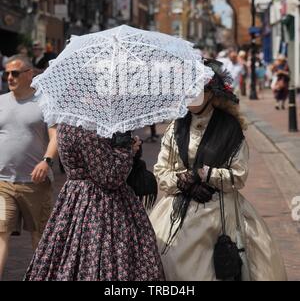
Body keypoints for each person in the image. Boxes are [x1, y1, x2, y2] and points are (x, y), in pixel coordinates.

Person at [150, 60, 287, 281]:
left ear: (211, 93)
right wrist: (184, 181)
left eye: (196, 90)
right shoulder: (176, 126)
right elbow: (161, 171)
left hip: (220, 210)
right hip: (178, 206)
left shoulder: (229, 128)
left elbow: (239, 175)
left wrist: (206, 175)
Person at [24, 128, 164, 281]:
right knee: (101, 258)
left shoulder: (66, 125)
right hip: (100, 203)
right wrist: (127, 148)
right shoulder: (86, 130)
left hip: (75, 197)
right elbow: (110, 177)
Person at [0, 55, 58, 280]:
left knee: (39, 236)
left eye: (15, 73)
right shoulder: (1, 101)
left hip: (35, 183)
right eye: (7, 73)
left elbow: (56, 137)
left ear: (30, 73)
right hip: (3, 181)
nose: (9, 77)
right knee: (1, 233)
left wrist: (47, 161)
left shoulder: (45, 102)